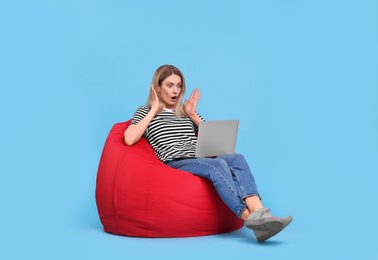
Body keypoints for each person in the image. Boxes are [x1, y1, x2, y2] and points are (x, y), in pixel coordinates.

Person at [124, 64, 292, 242]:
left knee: (236, 158)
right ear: (158, 87)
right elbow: (129, 138)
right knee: (218, 165)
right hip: (176, 160)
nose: (175, 91)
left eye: (179, 85)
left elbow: (213, 140)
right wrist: (153, 110)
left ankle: (260, 213)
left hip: (198, 157)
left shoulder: (184, 112)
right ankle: (248, 218)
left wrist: (193, 114)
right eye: (169, 85)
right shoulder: (144, 112)